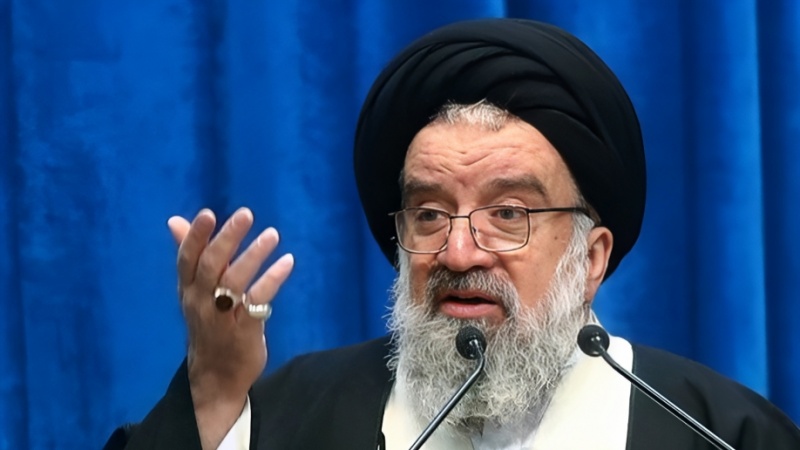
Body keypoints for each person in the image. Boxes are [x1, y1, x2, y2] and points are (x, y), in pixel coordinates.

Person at [106, 18, 800, 450]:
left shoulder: (717, 432)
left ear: (590, 258)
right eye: (430, 215)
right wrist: (213, 391)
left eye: (509, 215)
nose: (459, 252)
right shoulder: (286, 418)